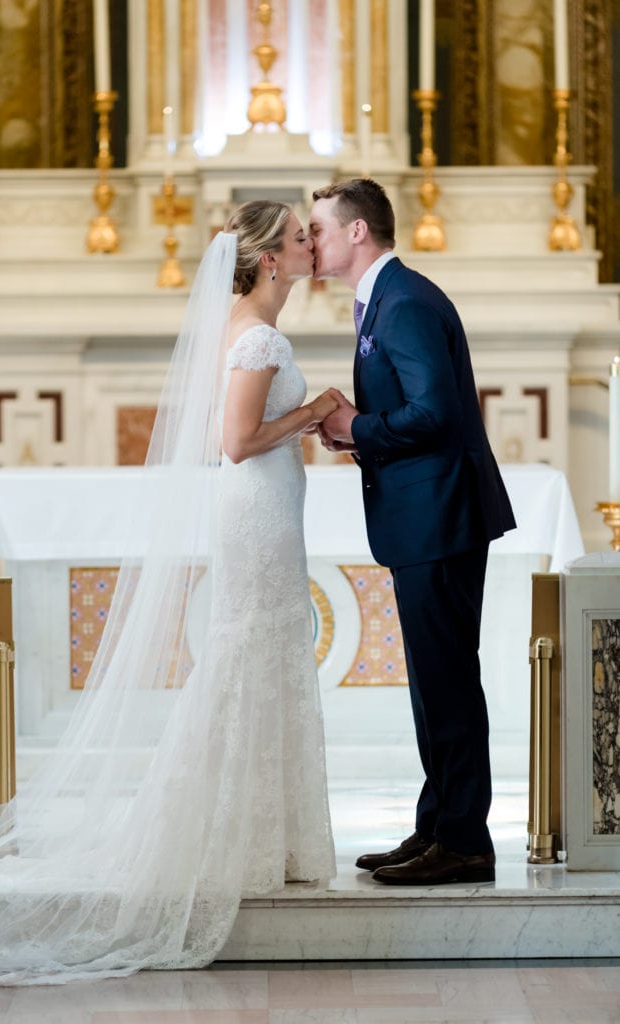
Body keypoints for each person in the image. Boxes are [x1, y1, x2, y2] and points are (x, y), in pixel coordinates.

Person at [0, 201, 337, 985]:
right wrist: (318, 409)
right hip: (256, 511)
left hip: (267, 508)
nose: (310, 245)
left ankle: (265, 836)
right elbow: (238, 441)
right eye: (299, 237)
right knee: (253, 651)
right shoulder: (257, 334)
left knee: (263, 651)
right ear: (268, 261)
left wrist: (302, 420)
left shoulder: (245, 324)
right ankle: (246, 841)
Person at [309, 178, 516, 886]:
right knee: (434, 682)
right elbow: (419, 411)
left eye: (321, 231)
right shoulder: (386, 299)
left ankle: (462, 842)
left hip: (439, 517)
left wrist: (356, 427)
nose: (313, 244)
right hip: (424, 515)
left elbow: (437, 414)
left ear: (357, 232)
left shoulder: (401, 303)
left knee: (448, 680)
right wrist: (358, 437)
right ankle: (438, 826)